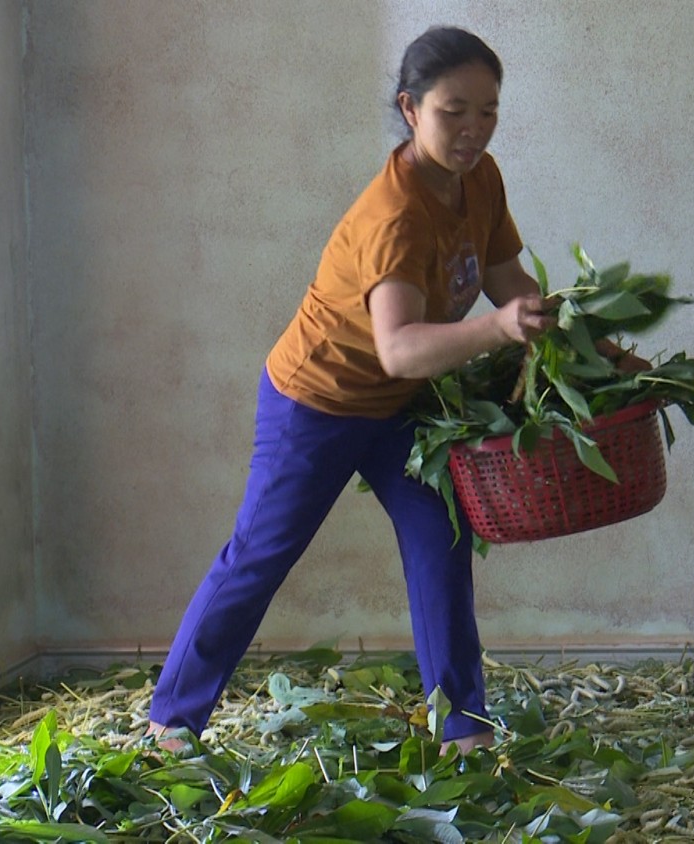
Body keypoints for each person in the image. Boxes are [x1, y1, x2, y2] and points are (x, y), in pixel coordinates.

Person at [146, 26, 557, 755]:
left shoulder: (481, 179)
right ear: (410, 108)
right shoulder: (394, 216)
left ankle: (462, 728)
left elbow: (506, 282)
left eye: (488, 111)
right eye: (452, 111)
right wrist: (500, 330)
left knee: (442, 539)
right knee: (261, 553)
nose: (472, 130)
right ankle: (172, 720)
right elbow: (400, 348)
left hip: (399, 409)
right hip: (318, 401)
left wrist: (568, 340)